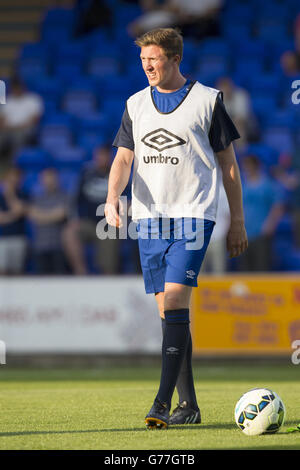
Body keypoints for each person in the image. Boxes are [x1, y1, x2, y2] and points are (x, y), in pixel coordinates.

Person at [105, 28, 248, 428]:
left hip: (194, 215)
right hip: (149, 218)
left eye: (155, 59)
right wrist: (112, 197)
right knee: (168, 315)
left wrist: (237, 220)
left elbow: (230, 166)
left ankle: (161, 405)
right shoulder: (135, 104)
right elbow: (122, 159)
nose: (148, 66)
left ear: (174, 58)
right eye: (143, 61)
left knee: (173, 303)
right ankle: (190, 406)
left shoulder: (208, 100)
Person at [62, 144, 120, 275]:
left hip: (107, 224)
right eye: (99, 156)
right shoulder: (86, 174)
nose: (102, 159)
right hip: (86, 222)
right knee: (69, 233)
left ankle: (107, 278)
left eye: (105, 156)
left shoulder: (117, 174)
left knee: (109, 251)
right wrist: (73, 218)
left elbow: (125, 199)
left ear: (110, 158)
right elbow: (74, 198)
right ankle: (81, 272)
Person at [237, 154, 284, 272]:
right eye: (244, 166)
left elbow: (278, 206)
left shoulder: (267, 184)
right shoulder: (242, 184)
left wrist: (270, 225)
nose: (246, 168)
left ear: (256, 166)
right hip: (244, 234)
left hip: (261, 233)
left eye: (249, 165)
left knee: (261, 268)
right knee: (245, 270)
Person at [27, 167, 69, 275]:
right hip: (40, 246)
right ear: (41, 180)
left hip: (59, 246)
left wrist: (41, 216)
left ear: (57, 179)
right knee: (41, 282)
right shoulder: (36, 198)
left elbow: (61, 214)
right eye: (46, 177)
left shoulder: (64, 196)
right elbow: (32, 215)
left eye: (52, 177)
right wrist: (52, 215)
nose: (49, 180)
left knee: (60, 280)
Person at [0, 75, 43, 163]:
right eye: (14, 88)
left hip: (26, 128)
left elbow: (35, 119)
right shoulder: (8, 101)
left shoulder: (33, 99)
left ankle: (15, 164)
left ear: (23, 87)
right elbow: (2, 120)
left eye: (18, 88)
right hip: (9, 128)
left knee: (18, 137)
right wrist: (7, 127)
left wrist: (19, 127)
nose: (16, 90)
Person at [0, 166, 28, 275]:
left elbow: (19, 210)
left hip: (19, 237)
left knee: (17, 273)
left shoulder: (23, 194)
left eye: (16, 177)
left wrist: (10, 194)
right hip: (2, 238)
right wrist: (13, 215)